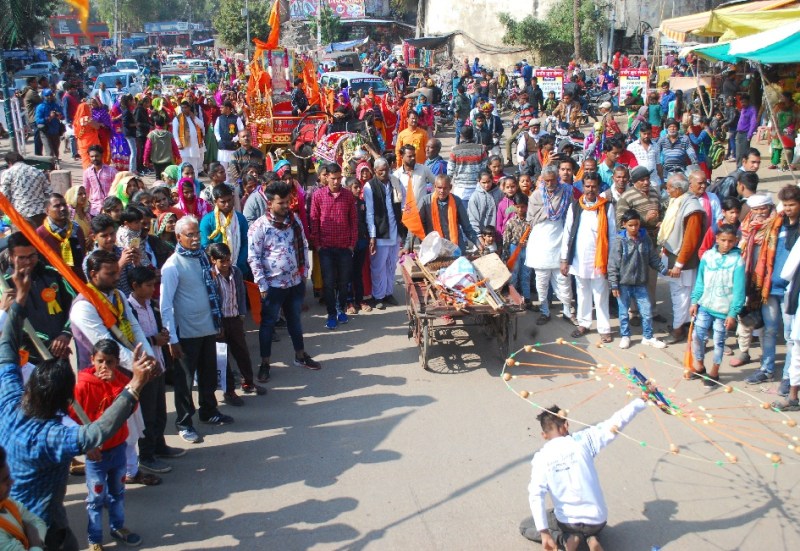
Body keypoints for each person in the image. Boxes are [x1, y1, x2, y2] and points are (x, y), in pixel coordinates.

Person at [0, 264, 157, 551]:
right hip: (37, 526)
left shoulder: (9, 401)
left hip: (36, 514)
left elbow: (6, 350)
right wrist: (135, 385)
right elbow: (96, 433)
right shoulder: (49, 436)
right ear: (64, 402)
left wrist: (20, 303)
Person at [520, 394, 651, 551]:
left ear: (544, 435)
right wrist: (640, 400)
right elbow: (616, 422)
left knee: (526, 525)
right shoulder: (584, 440)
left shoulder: (541, 458)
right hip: (597, 520)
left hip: (568, 522)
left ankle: (567, 538)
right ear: (566, 425)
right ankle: (591, 538)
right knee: (588, 524)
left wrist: (544, 533)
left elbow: (535, 495)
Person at [161, 216, 233, 443]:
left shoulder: (202, 256)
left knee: (208, 373)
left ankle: (209, 411)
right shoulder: (172, 266)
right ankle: (184, 423)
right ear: (178, 237)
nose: (194, 239)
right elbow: (166, 305)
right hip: (186, 332)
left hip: (207, 326)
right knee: (184, 380)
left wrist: (217, 323)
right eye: (189, 235)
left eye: (196, 234)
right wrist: (172, 338)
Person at [70, 339, 143, 550]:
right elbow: (73, 420)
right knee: (95, 498)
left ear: (117, 363)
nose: (104, 367)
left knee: (118, 493)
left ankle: (118, 527)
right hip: (96, 455)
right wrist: (86, 445)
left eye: (110, 362)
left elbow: (130, 405)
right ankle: (94, 538)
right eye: (100, 361)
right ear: (92, 359)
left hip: (118, 447)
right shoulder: (82, 385)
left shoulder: (120, 380)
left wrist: (114, 384)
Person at [248, 181, 321, 381]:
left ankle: (300, 356)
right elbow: (253, 257)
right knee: (268, 324)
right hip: (272, 286)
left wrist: (304, 272)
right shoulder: (259, 227)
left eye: (288, 201)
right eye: (281, 203)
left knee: (295, 321)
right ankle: (265, 363)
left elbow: (303, 245)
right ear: (270, 203)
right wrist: (262, 284)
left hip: (294, 282)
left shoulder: (294, 220)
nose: (286, 206)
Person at [126, 267, 185, 477]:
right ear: (135, 286)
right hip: (144, 369)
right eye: (149, 285)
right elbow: (129, 341)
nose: (153, 289)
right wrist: (154, 340)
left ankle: (159, 445)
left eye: (154, 285)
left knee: (160, 411)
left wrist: (162, 336)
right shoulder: (128, 310)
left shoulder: (151, 306)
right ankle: (147, 456)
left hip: (158, 363)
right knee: (147, 415)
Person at [743, 187, 800, 387]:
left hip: (792, 290)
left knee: (791, 336)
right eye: (785, 205)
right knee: (769, 330)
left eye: (792, 205)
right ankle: (766, 369)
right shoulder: (776, 225)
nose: (788, 209)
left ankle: (788, 377)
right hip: (770, 288)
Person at [206, 243, 266, 403]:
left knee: (242, 352)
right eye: (222, 261)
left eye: (228, 260)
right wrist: (216, 325)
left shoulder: (236, 272)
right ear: (213, 260)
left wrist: (241, 314)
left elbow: (240, 292)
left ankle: (248, 382)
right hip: (219, 322)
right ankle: (229, 391)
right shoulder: (210, 276)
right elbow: (209, 302)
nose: (226, 264)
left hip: (234, 319)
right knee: (222, 357)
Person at [2, 232, 75, 364]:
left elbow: (74, 306)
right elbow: (10, 325)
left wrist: (65, 334)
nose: (28, 262)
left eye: (32, 256)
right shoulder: (6, 287)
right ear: (12, 257)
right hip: (28, 361)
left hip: (61, 353)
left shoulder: (53, 275)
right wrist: (50, 344)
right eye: (22, 258)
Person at [688, 224, 746, 387]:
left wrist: (733, 313)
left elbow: (739, 291)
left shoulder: (738, 261)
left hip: (724, 310)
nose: (726, 244)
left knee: (719, 340)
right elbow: (700, 281)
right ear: (716, 239)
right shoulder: (707, 256)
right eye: (723, 240)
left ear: (736, 241)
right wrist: (694, 301)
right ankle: (699, 365)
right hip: (705, 305)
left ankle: (714, 372)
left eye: (730, 241)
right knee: (697, 337)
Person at [560, 177, 617, 342]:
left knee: (600, 294)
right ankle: (584, 323)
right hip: (579, 258)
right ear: (583, 187)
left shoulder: (606, 207)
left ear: (598, 187)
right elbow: (568, 234)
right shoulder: (575, 206)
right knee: (582, 292)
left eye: (593, 186)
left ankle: (604, 328)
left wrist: (611, 260)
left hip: (600, 259)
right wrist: (565, 260)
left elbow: (612, 236)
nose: (590, 189)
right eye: (587, 186)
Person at [658, 173, 707, 344]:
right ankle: (684, 325)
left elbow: (690, 239)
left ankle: (678, 330)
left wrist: (679, 264)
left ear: (678, 189)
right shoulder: (678, 202)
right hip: (674, 256)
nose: (667, 190)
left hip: (683, 262)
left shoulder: (691, 208)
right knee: (679, 294)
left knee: (681, 296)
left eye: (670, 187)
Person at [608, 210, 668, 350]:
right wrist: (614, 285)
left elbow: (653, 257)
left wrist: (664, 270)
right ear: (624, 225)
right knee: (623, 313)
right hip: (623, 284)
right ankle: (625, 336)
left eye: (637, 225)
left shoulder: (645, 238)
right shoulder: (619, 241)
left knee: (646, 312)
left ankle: (648, 337)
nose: (634, 228)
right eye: (631, 225)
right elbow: (613, 264)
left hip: (641, 283)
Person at [309, 163, 358, 330]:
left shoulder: (348, 196)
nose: (336, 181)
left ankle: (340, 309)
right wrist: (318, 245)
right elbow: (314, 220)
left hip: (345, 247)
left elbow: (353, 221)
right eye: (333, 178)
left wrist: (352, 244)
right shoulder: (318, 195)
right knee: (328, 284)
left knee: (343, 283)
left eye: (339, 178)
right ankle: (331, 314)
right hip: (326, 249)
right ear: (326, 177)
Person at [526, 167, 576, 325]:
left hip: (560, 238)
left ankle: (567, 310)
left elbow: (572, 212)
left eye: (552, 180)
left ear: (557, 179)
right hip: (540, 241)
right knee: (541, 280)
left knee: (563, 279)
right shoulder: (536, 195)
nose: (549, 183)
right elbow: (531, 219)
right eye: (546, 180)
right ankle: (544, 311)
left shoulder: (567, 191)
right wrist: (546, 213)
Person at [364, 158, 406, 310]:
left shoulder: (395, 182)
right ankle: (378, 296)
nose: (383, 173)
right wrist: (373, 236)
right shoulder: (370, 186)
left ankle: (388, 293)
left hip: (395, 232)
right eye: (380, 171)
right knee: (378, 266)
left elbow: (403, 203)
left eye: (385, 170)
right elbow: (369, 213)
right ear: (374, 171)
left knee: (391, 265)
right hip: (380, 233)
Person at [406, 174, 477, 252]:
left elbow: (467, 227)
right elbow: (414, 225)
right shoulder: (425, 201)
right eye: (439, 188)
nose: (442, 191)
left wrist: (478, 243)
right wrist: (407, 246)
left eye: (445, 188)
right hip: (433, 247)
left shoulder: (457, 201)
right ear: (435, 187)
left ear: (450, 187)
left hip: (455, 245)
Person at [0, 444, 47, 550]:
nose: (11, 482)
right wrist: (35, 543)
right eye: (4, 479)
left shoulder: (7, 502)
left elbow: (37, 522)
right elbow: (33, 526)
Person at [200, 184, 249, 276]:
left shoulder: (240, 219)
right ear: (215, 202)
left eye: (229, 200)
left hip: (239, 268)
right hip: (216, 271)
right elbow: (205, 246)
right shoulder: (207, 221)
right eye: (223, 202)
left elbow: (245, 242)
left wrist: (238, 263)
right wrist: (222, 263)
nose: (227, 204)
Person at [36, 193, 87, 282]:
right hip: (54, 283)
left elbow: (83, 255)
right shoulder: (40, 234)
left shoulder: (76, 229)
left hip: (79, 281)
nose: (62, 208)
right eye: (57, 206)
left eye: (64, 205)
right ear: (47, 211)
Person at [0, 152, 52, 227]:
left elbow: (4, 196)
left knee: (22, 238)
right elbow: (49, 192)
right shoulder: (37, 171)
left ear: (9, 162)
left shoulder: (8, 173)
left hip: (21, 213)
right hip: (41, 212)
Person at [503, 195, 533, 308]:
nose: (521, 209)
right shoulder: (510, 222)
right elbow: (506, 239)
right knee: (513, 275)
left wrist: (528, 243)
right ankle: (514, 298)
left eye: (523, 207)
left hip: (527, 249)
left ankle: (527, 298)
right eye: (518, 207)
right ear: (514, 207)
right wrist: (506, 255)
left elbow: (534, 237)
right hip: (514, 248)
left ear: (527, 207)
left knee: (526, 274)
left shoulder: (530, 222)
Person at [447, 126, 488, 203]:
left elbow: (450, 171)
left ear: (461, 136)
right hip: (478, 187)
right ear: (473, 135)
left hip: (460, 190)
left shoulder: (455, 150)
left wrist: (447, 185)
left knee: (462, 214)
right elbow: (484, 168)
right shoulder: (481, 149)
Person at [172, 101, 205, 177]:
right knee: (183, 166)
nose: (184, 109)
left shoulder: (193, 117)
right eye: (182, 108)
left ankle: (195, 182)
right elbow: (175, 133)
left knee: (194, 167)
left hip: (194, 147)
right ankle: (182, 183)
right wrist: (178, 144)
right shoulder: (177, 119)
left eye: (185, 107)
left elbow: (202, 125)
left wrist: (194, 118)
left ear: (189, 108)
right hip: (184, 147)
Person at [143, 114, 182, 180]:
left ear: (155, 123)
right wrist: (178, 157)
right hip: (168, 160)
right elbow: (174, 147)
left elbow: (147, 148)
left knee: (158, 177)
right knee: (167, 177)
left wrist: (145, 160)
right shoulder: (169, 134)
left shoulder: (151, 134)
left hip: (156, 160)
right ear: (164, 124)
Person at [83, 145, 118, 216]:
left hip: (109, 207)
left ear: (102, 155)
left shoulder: (112, 171)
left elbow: (117, 189)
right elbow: (85, 191)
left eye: (96, 156)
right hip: (94, 208)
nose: (94, 158)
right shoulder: (87, 172)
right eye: (92, 156)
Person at [213, 101, 244, 181]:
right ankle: (225, 182)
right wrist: (219, 139)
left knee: (234, 166)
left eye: (222, 107)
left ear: (227, 108)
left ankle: (236, 183)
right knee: (223, 167)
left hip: (233, 146)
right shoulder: (219, 118)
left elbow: (241, 130)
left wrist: (235, 139)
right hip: (222, 146)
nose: (220, 109)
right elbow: (216, 130)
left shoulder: (236, 118)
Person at [468, 170, 502, 238]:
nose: (486, 185)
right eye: (483, 182)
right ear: (479, 181)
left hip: (498, 232)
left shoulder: (499, 193)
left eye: (488, 182)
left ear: (492, 180)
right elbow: (473, 218)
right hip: (483, 234)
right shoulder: (475, 197)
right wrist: (479, 235)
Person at [34, 90, 63, 166]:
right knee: (49, 152)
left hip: (55, 131)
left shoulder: (55, 105)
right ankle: (50, 168)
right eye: (47, 96)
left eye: (51, 95)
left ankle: (56, 165)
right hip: (45, 132)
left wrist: (59, 115)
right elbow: (38, 120)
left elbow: (62, 115)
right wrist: (49, 118)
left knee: (56, 151)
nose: (49, 97)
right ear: (43, 97)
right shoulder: (40, 107)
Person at [735, 94, 758, 167]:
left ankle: (744, 170)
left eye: (744, 102)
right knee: (738, 153)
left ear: (748, 102)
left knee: (744, 154)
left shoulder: (752, 110)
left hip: (746, 134)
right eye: (741, 102)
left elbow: (753, 123)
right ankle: (739, 169)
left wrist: (749, 135)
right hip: (739, 133)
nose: (743, 104)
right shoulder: (742, 109)